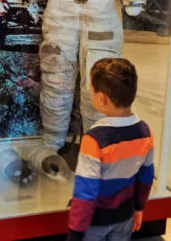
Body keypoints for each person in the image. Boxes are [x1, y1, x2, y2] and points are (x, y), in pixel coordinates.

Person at [21, 0, 154, 177]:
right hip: (63, 7)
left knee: (101, 80)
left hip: (102, 10)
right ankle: (52, 142)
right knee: (56, 75)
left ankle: (96, 145)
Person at [68, 58, 155, 241]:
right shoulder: (145, 132)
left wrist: (75, 233)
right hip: (124, 217)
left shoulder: (94, 139)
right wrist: (139, 207)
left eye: (91, 91)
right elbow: (146, 177)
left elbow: (86, 191)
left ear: (101, 98)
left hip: (96, 222)